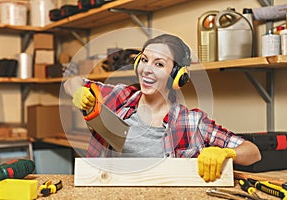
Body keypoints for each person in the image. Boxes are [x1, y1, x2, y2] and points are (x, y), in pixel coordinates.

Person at [64, 34, 261, 182]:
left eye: (159, 64)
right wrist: (78, 93)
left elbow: (253, 152)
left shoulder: (192, 122)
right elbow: (72, 82)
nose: (147, 69)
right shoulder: (119, 97)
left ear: (177, 76)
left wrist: (228, 153)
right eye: (144, 60)